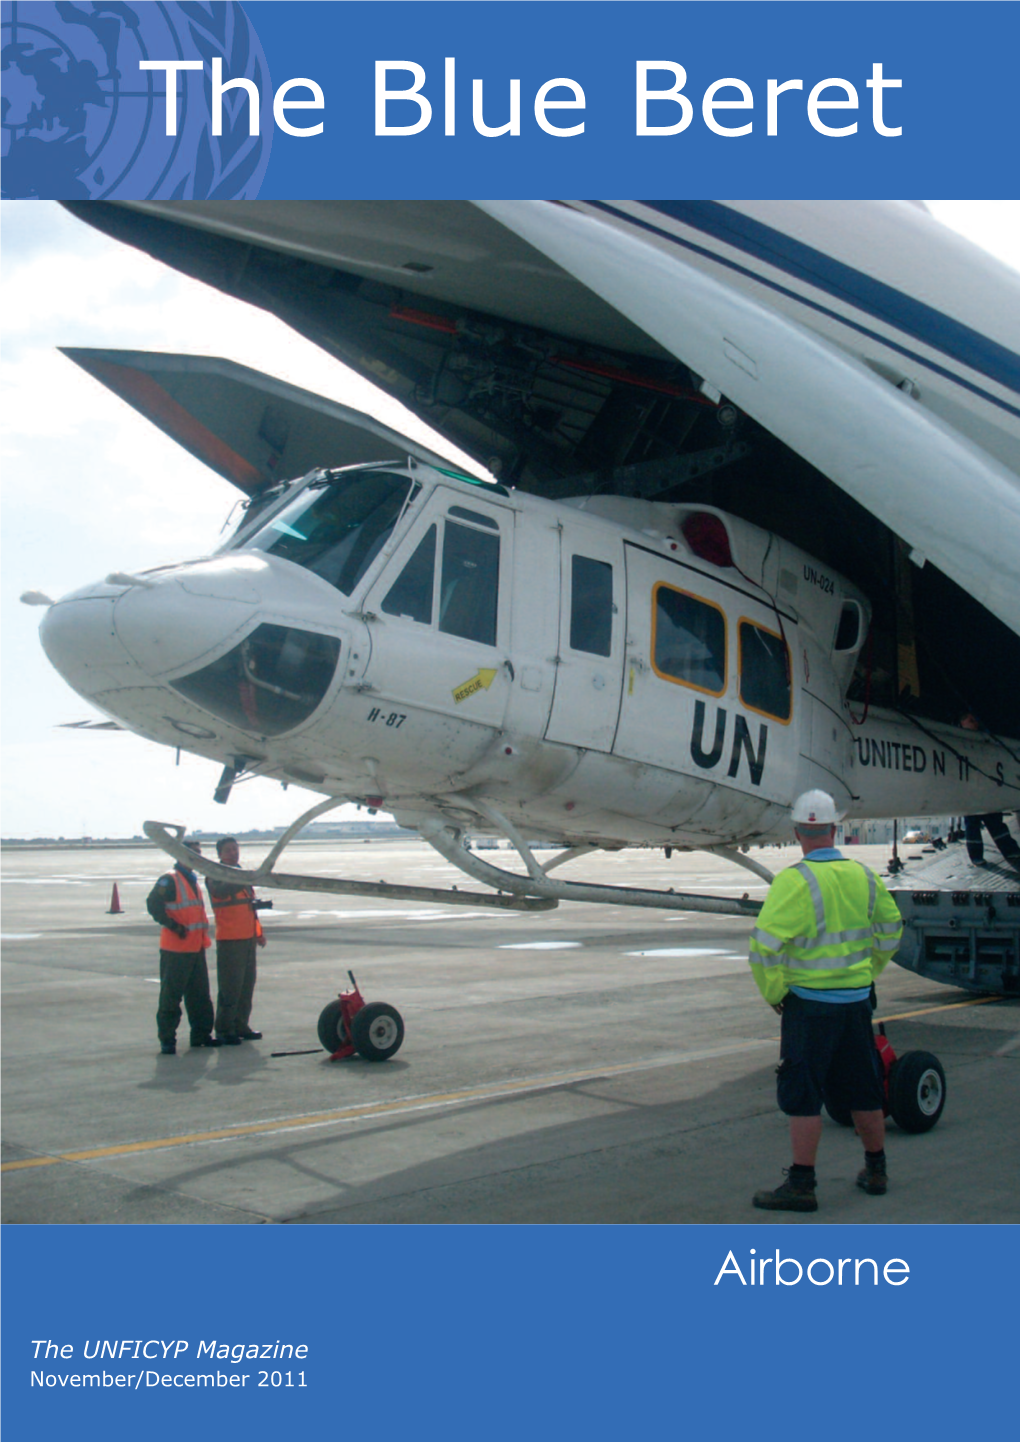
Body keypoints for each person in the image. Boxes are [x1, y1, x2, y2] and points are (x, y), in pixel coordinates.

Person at [748, 790, 904, 1212]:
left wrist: (776, 992)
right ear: (835, 829)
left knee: (804, 1095)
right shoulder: (865, 877)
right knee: (864, 1091)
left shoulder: (794, 882)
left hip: (809, 1006)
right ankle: (876, 1170)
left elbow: (764, 949)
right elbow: (891, 929)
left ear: (798, 832)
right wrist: (867, 972)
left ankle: (802, 1184)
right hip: (855, 1004)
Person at [146, 840, 218, 1055]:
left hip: (196, 947)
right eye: (192, 853)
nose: (196, 857)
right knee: (171, 996)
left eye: (198, 853)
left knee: (200, 996)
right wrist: (173, 926)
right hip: (176, 950)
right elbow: (153, 904)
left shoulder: (192, 880)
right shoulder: (170, 879)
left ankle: (201, 1035)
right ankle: (167, 1039)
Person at [207, 837, 265, 1044]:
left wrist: (258, 933)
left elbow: (250, 908)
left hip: (247, 938)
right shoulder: (215, 875)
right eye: (229, 850)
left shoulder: (241, 875)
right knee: (230, 987)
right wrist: (243, 878)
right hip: (230, 940)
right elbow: (220, 892)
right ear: (220, 854)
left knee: (246, 985)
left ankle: (241, 1025)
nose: (234, 853)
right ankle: (224, 1029)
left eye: (235, 849)